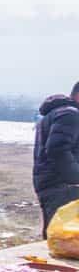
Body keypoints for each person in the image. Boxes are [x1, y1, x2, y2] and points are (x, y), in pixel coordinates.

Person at [34, 82, 79, 236]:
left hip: (53, 187)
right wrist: (76, 178)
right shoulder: (70, 114)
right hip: (64, 188)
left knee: (57, 239)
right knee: (65, 240)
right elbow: (57, 150)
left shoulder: (58, 113)